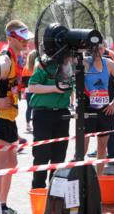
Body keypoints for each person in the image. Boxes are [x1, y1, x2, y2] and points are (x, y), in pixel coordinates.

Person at [0, 20, 33, 213]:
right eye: (22, 40)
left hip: (9, 117)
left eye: (27, 39)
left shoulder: (16, 58)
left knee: (12, 163)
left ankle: (2, 205)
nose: (26, 43)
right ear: (11, 38)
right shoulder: (5, 59)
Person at [28, 53, 72, 189]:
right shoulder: (44, 63)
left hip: (62, 114)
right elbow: (32, 86)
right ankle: (38, 189)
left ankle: (56, 190)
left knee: (59, 154)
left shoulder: (72, 64)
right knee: (42, 154)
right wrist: (54, 88)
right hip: (43, 113)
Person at [83, 43, 114, 175]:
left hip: (105, 110)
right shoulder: (85, 62)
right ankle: (80, 175)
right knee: (82, 147)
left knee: (102, 147)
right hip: (87, 109)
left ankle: (98, 178)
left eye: (101, 48)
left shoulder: (108, 63)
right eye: (95, 48)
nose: (98, 51)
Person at [22, 50, 37, 133]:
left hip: (28, 90)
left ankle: (28, 125)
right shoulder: (38, 67)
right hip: (37, 89)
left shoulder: (25, 68)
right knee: (36, 107)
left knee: (29, 107)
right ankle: (35, 124)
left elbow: (24, 82)